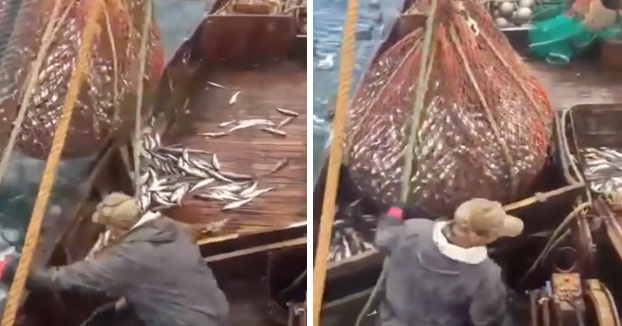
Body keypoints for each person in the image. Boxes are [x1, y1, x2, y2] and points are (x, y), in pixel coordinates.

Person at [0, 192, 229, 326]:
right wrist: (207, 228)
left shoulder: (130, 258)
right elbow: (192, 231)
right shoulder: (170, 227)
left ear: (118, 227)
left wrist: (9, 267)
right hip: (215, 307)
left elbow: (60, 279)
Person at [375, 198, 524, 326]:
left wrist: (394, 212)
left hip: (392, 319)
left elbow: (382, 238)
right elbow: (487, 321)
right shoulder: (486, 276)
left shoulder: (413, 229)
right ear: (478, 238)